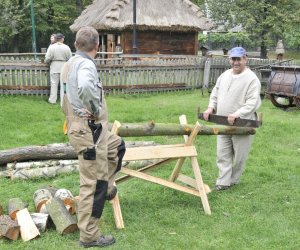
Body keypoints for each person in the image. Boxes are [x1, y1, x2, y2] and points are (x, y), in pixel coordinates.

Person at [61, 26, 126, 248]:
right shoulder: (86, 64)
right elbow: (87, 86)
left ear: (76, 43)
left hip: (86, 129)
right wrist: (94, 109)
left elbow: (64, 97)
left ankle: (108, 186)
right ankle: (89, 235)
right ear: (97, 46)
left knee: (117, 146)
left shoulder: (69, 63)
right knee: (92, 183)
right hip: (89, 132)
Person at [202, 47, 261, 191]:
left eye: (238, 59)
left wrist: (237, 114)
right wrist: (210, 108)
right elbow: (215, 93)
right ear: (230, 60)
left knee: (239, 155)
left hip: (242, 123)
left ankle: (234, 179)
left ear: (245, 59)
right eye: (233, 59)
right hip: (222, 122)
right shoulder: (224, 75)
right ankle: (223, 182)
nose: (235, 62)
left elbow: (252, 102)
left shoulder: (252, 79)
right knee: (222, 153)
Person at [45, 33, 72, 104]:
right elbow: (70, 58)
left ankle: (52, 100)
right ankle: (64, 100)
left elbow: (47, 58)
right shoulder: (66, 47)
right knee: (64, 84)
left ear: (56, 39)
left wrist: (48, 62)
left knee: (54, 84)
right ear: (62, 39)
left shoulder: (51, 47)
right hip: (64, 66)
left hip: (54, 66)